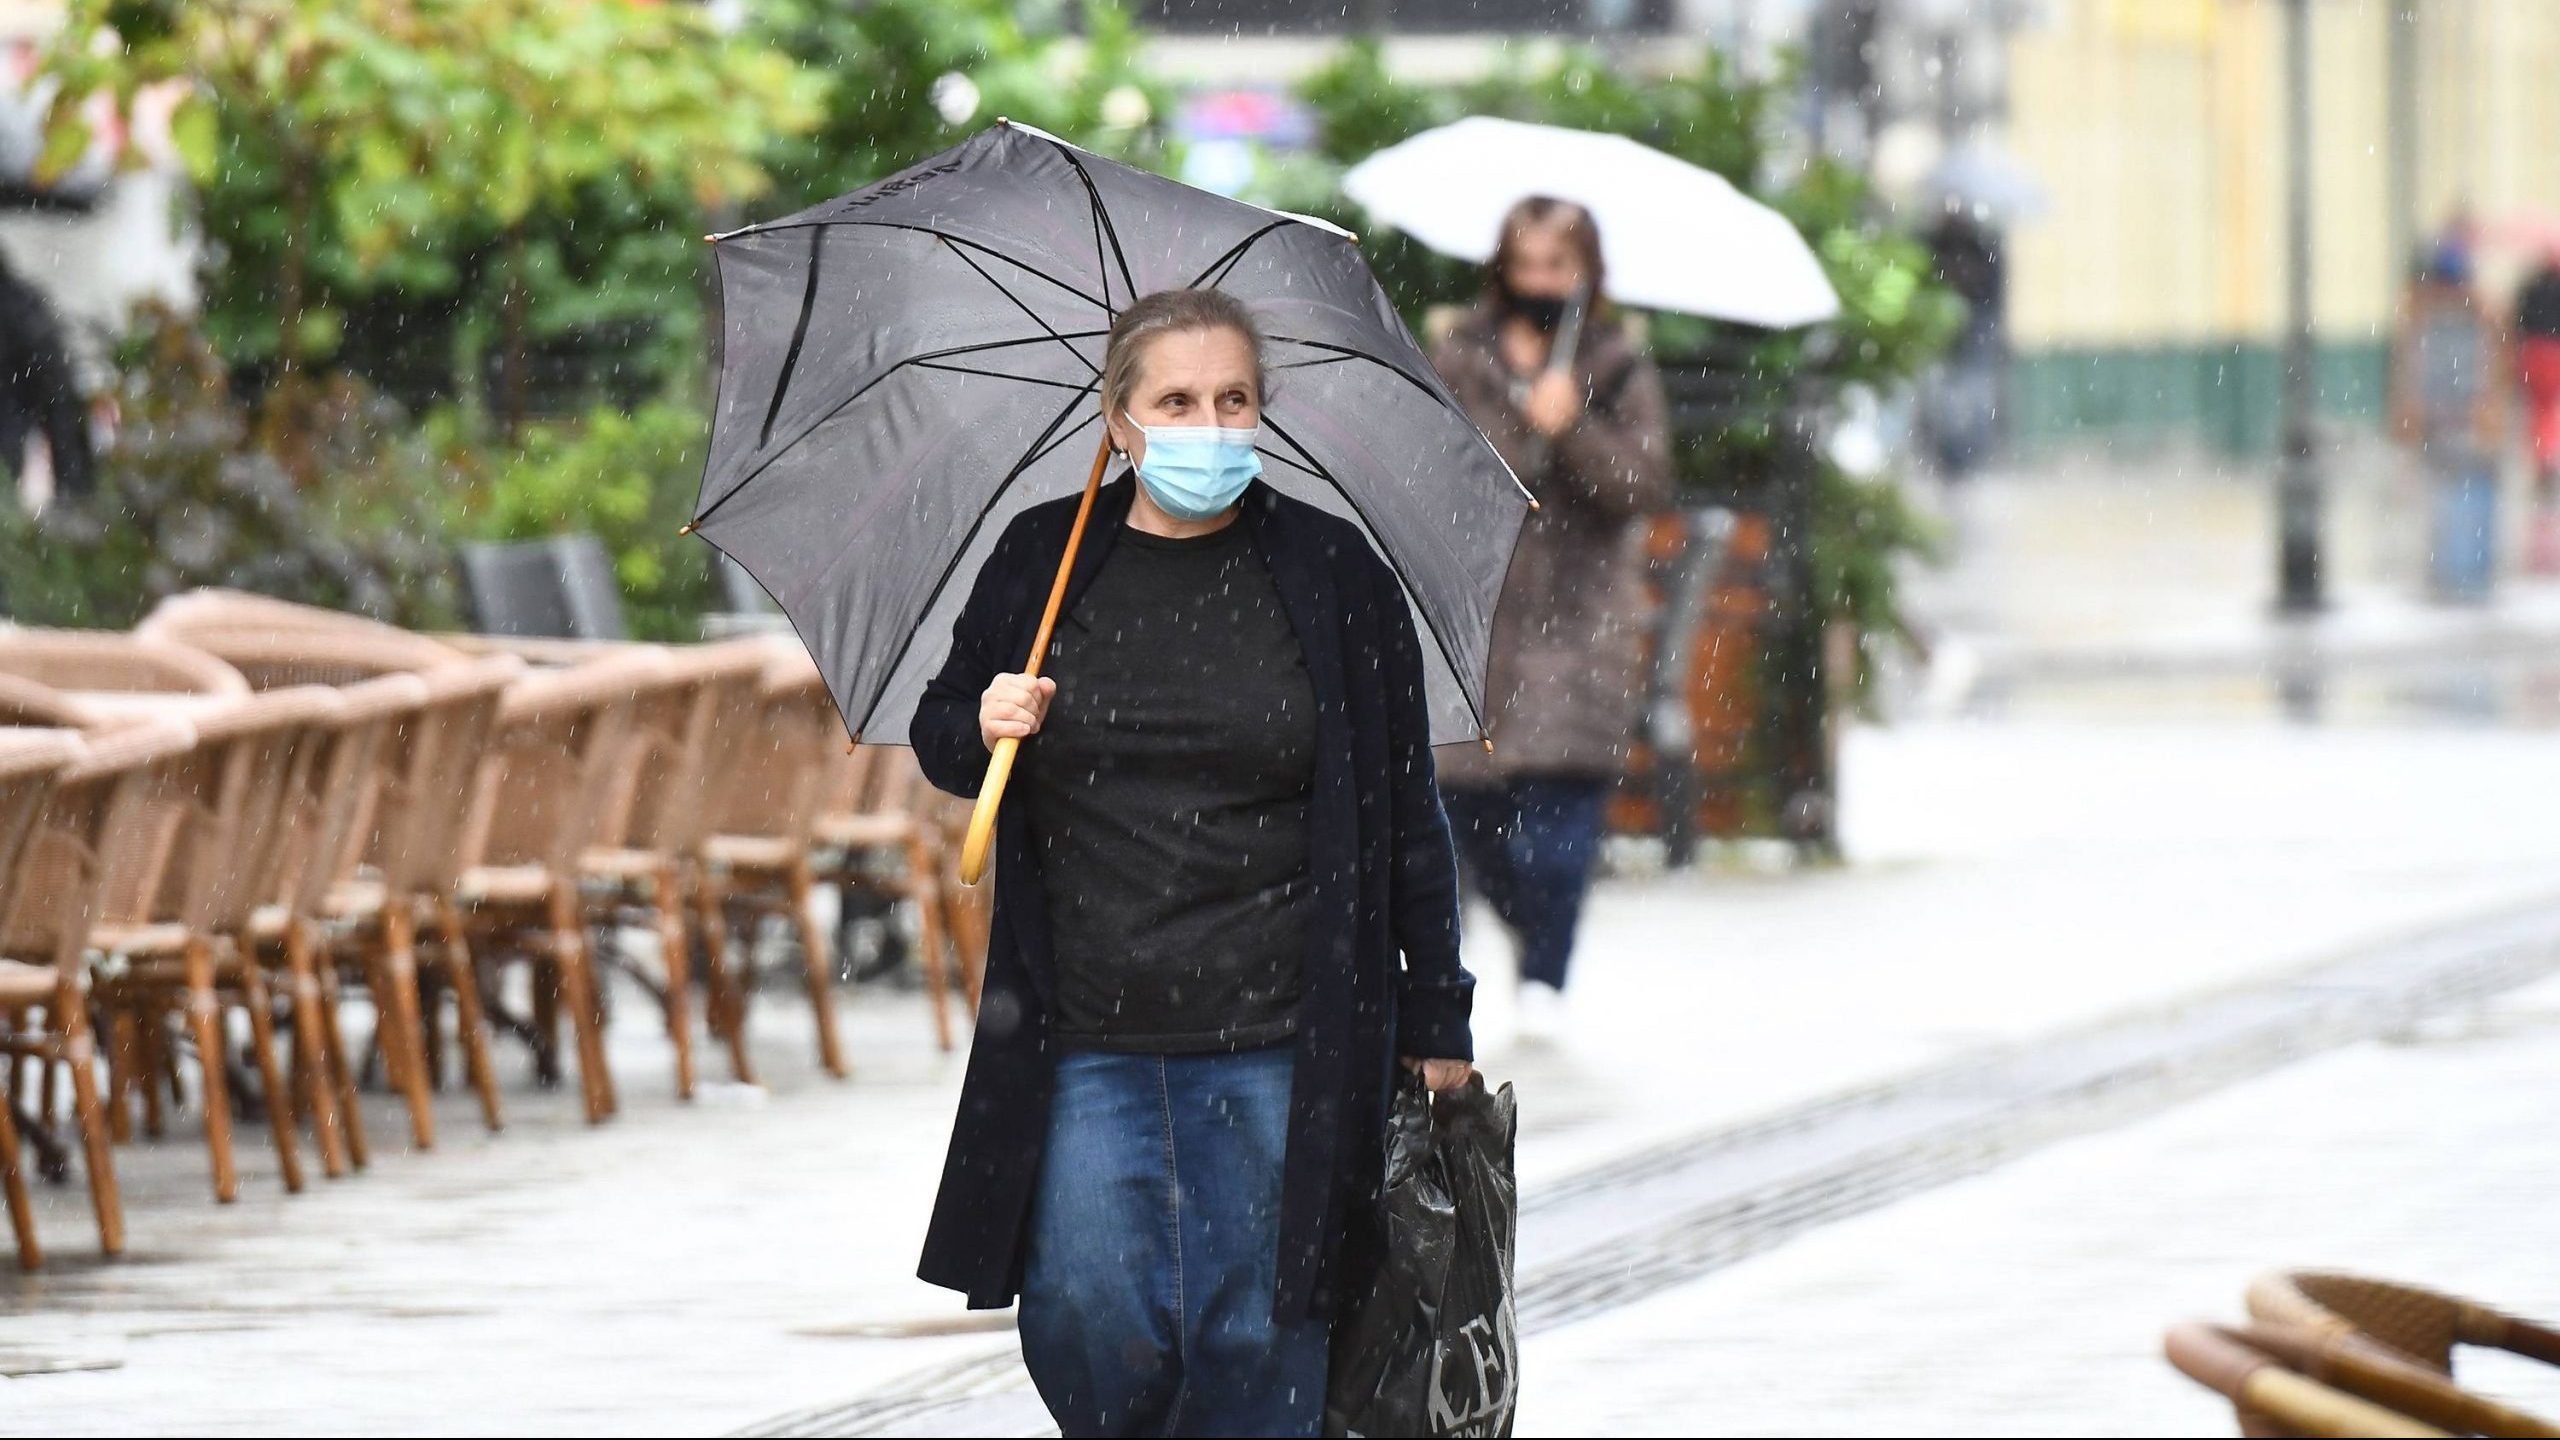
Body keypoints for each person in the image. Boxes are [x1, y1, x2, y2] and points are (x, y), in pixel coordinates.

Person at [909, 286, 1478, 1438]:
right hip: (1082, 1032)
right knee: (1081, 1317)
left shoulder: (1334, 575)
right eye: (1175, 401)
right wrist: (984, 718)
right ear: (1117, 422)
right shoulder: (1042, 563)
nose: (1208, 427)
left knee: (1262, 1337)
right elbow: (938, 738)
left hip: (1281, 1034)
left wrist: (1439, 1020)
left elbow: (1405, 814)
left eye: (1234, 401)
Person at [1428, 197, 1671, 1043]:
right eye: (1524, 265)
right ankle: (1533, 934)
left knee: (1562, 829)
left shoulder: (1620, 363)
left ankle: (1545, 976)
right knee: (1477, 825)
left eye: (1556, 267)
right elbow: (1433, 468)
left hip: (1579, 626)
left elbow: (1641, 488)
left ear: (1586, 273)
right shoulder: (1460, 354)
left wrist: (1575, 430)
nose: (1539, 284)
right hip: (1484, 623)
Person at [2391, 236, 2507, 604]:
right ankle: (2453, 576)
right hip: (2445, 425)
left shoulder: (2476, 318)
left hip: (2464, 424)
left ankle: (2467, 575)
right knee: (2446, 503)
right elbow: (2410, 374)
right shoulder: (2428, 318)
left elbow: (2497, 370)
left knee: (2465, 501)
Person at [2511, 246, 2560, 572]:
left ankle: (2542, 459)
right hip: (2555, 353)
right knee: (2551, 410)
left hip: (2532, 353)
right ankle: (2548, 456)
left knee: (2538, 410)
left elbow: (2519, 320)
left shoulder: (2529, 286)